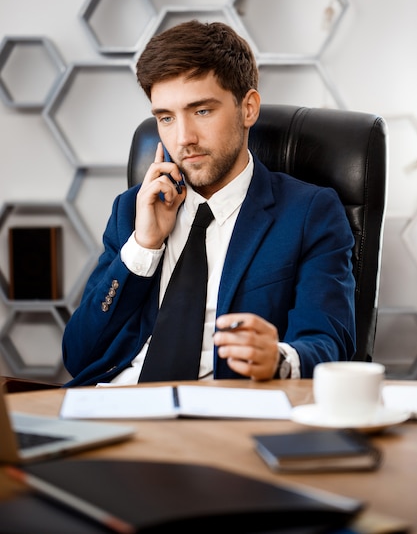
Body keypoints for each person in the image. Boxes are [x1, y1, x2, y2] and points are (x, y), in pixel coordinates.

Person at [62, 20, 356, 387]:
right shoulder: (131, 210)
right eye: (166, 118)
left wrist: (277, 359)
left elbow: (331, 344)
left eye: (201, 111)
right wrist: (143, 246)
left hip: (224, 417)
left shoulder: (308, 213)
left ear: (248, 108)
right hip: (113, 406)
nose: (183, 138)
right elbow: (78, 355)